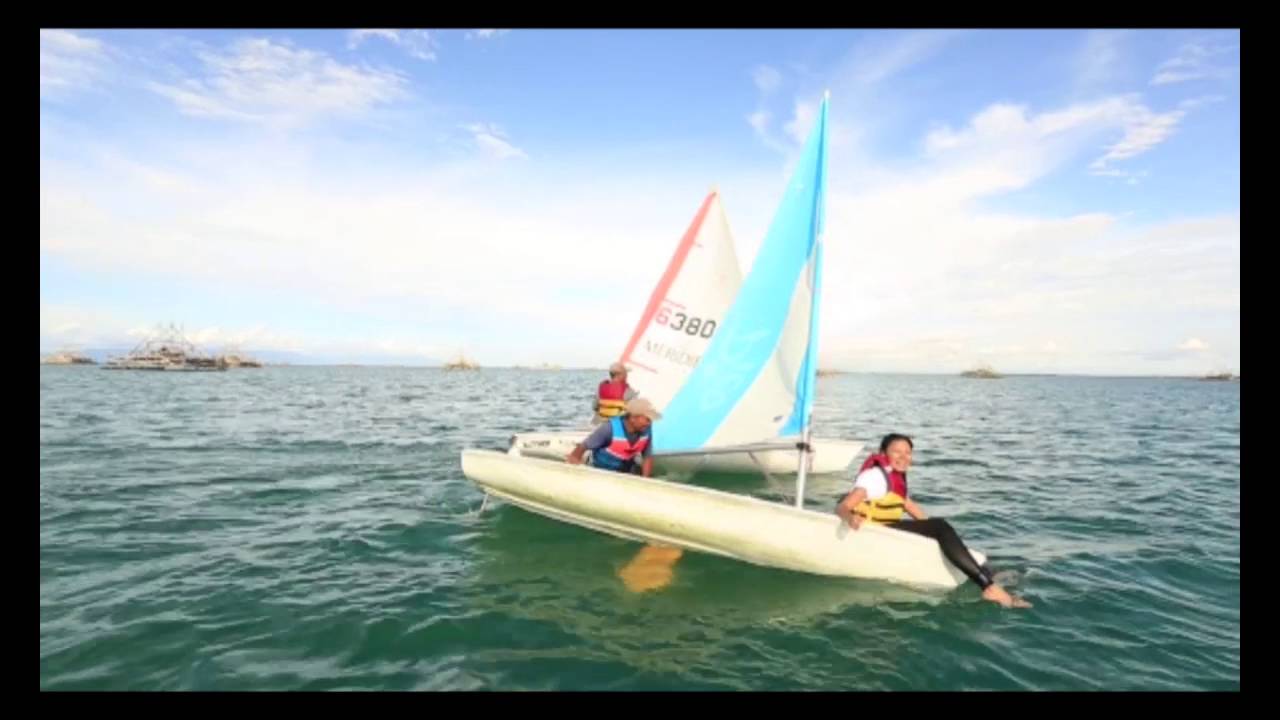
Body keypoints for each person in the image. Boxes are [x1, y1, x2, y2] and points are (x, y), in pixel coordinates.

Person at [835, 433, 1032, 609]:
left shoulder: (894, 477)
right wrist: (851, 517)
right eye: (897, 452)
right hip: (873, 533)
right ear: (883, 453)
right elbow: (843, 507)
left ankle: (983, 571)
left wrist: (940, 533)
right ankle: (989, 587)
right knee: (939, 527)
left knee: (939, 528)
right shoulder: (874, 477)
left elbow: (909, 506)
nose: (903, 457)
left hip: (886, 531)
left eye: (908, 452)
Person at [567, 397, 660, 477]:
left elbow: (647, 457)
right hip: (599, 469)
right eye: (647, 419)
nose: (649, 423)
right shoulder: (608, 429)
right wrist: (575, 465)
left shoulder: (646, 430)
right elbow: (582, 447)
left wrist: (645, 480)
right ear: (632, 418)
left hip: (625, 471)